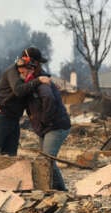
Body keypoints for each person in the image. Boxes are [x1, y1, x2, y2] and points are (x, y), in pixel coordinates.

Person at [21, 47, 71, 191]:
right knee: (44, 160)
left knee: (48, 161)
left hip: (55, 126)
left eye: (25, 66)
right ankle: (51, 189)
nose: (22, 70)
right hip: (48, 127)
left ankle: (61, 191)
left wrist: (43, 121)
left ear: (33, 65)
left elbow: (49, 99)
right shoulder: (34, 80)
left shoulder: (42, 82)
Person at [0, 48, 51, 156]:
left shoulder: (31, 72)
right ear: (31, 61)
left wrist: (49, 81)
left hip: (14, 118)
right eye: (38, 63)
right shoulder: (13, 71)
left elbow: (43, 76)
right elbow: (18, 90)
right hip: (1, 115)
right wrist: (38, 81)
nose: (39, 67)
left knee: (10, 155)